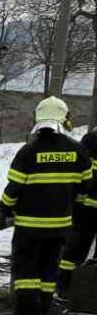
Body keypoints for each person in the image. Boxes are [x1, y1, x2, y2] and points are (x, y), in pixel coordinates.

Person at [0, 96, 93, 315]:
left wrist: (5, 209)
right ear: (64, 118)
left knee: (26, 268)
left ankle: (26, 311)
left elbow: (13, 189)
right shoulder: (78, 151)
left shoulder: (28, 152)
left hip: (28, 225)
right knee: (49, 266)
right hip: (60, 225)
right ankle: (44, 307)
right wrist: (72, 203)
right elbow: (85, 186)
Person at [59, 126, 97, 294]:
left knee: (74, 249)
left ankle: (64, 287)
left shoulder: (88, 141)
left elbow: (79, 173)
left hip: (84, 207)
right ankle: (89, 291)